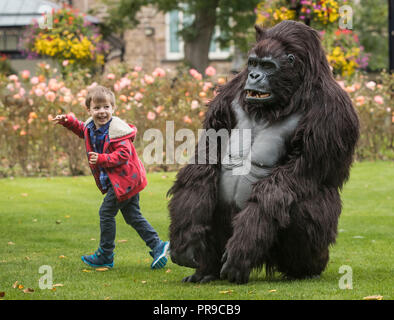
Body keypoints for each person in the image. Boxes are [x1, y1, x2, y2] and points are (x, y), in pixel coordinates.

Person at [52, 85, 169, 270]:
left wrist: (102, 159)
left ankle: (105, 255)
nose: (102, 112)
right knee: (133, 216)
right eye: (97, 108)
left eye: (106, 107)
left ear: (113, 109)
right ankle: (157, 245)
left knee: (106, 213)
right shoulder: (92, 127)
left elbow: (123, 155)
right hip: (125, 181)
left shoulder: (118, 131)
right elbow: (81, 128)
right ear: (89, 110)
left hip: (125, 181)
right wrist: (67, 120)